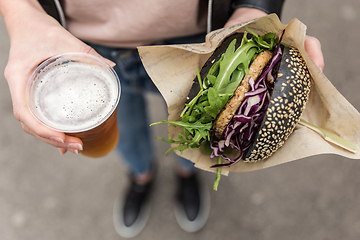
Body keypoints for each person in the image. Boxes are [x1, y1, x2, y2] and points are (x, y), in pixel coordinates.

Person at [0, 0, 324, 238]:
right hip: (82, 46)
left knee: (193, 137)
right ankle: (141, 177)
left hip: (206, 42)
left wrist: (253, 7)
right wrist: (21, 13)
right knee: (123, 134)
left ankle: (186, 175)